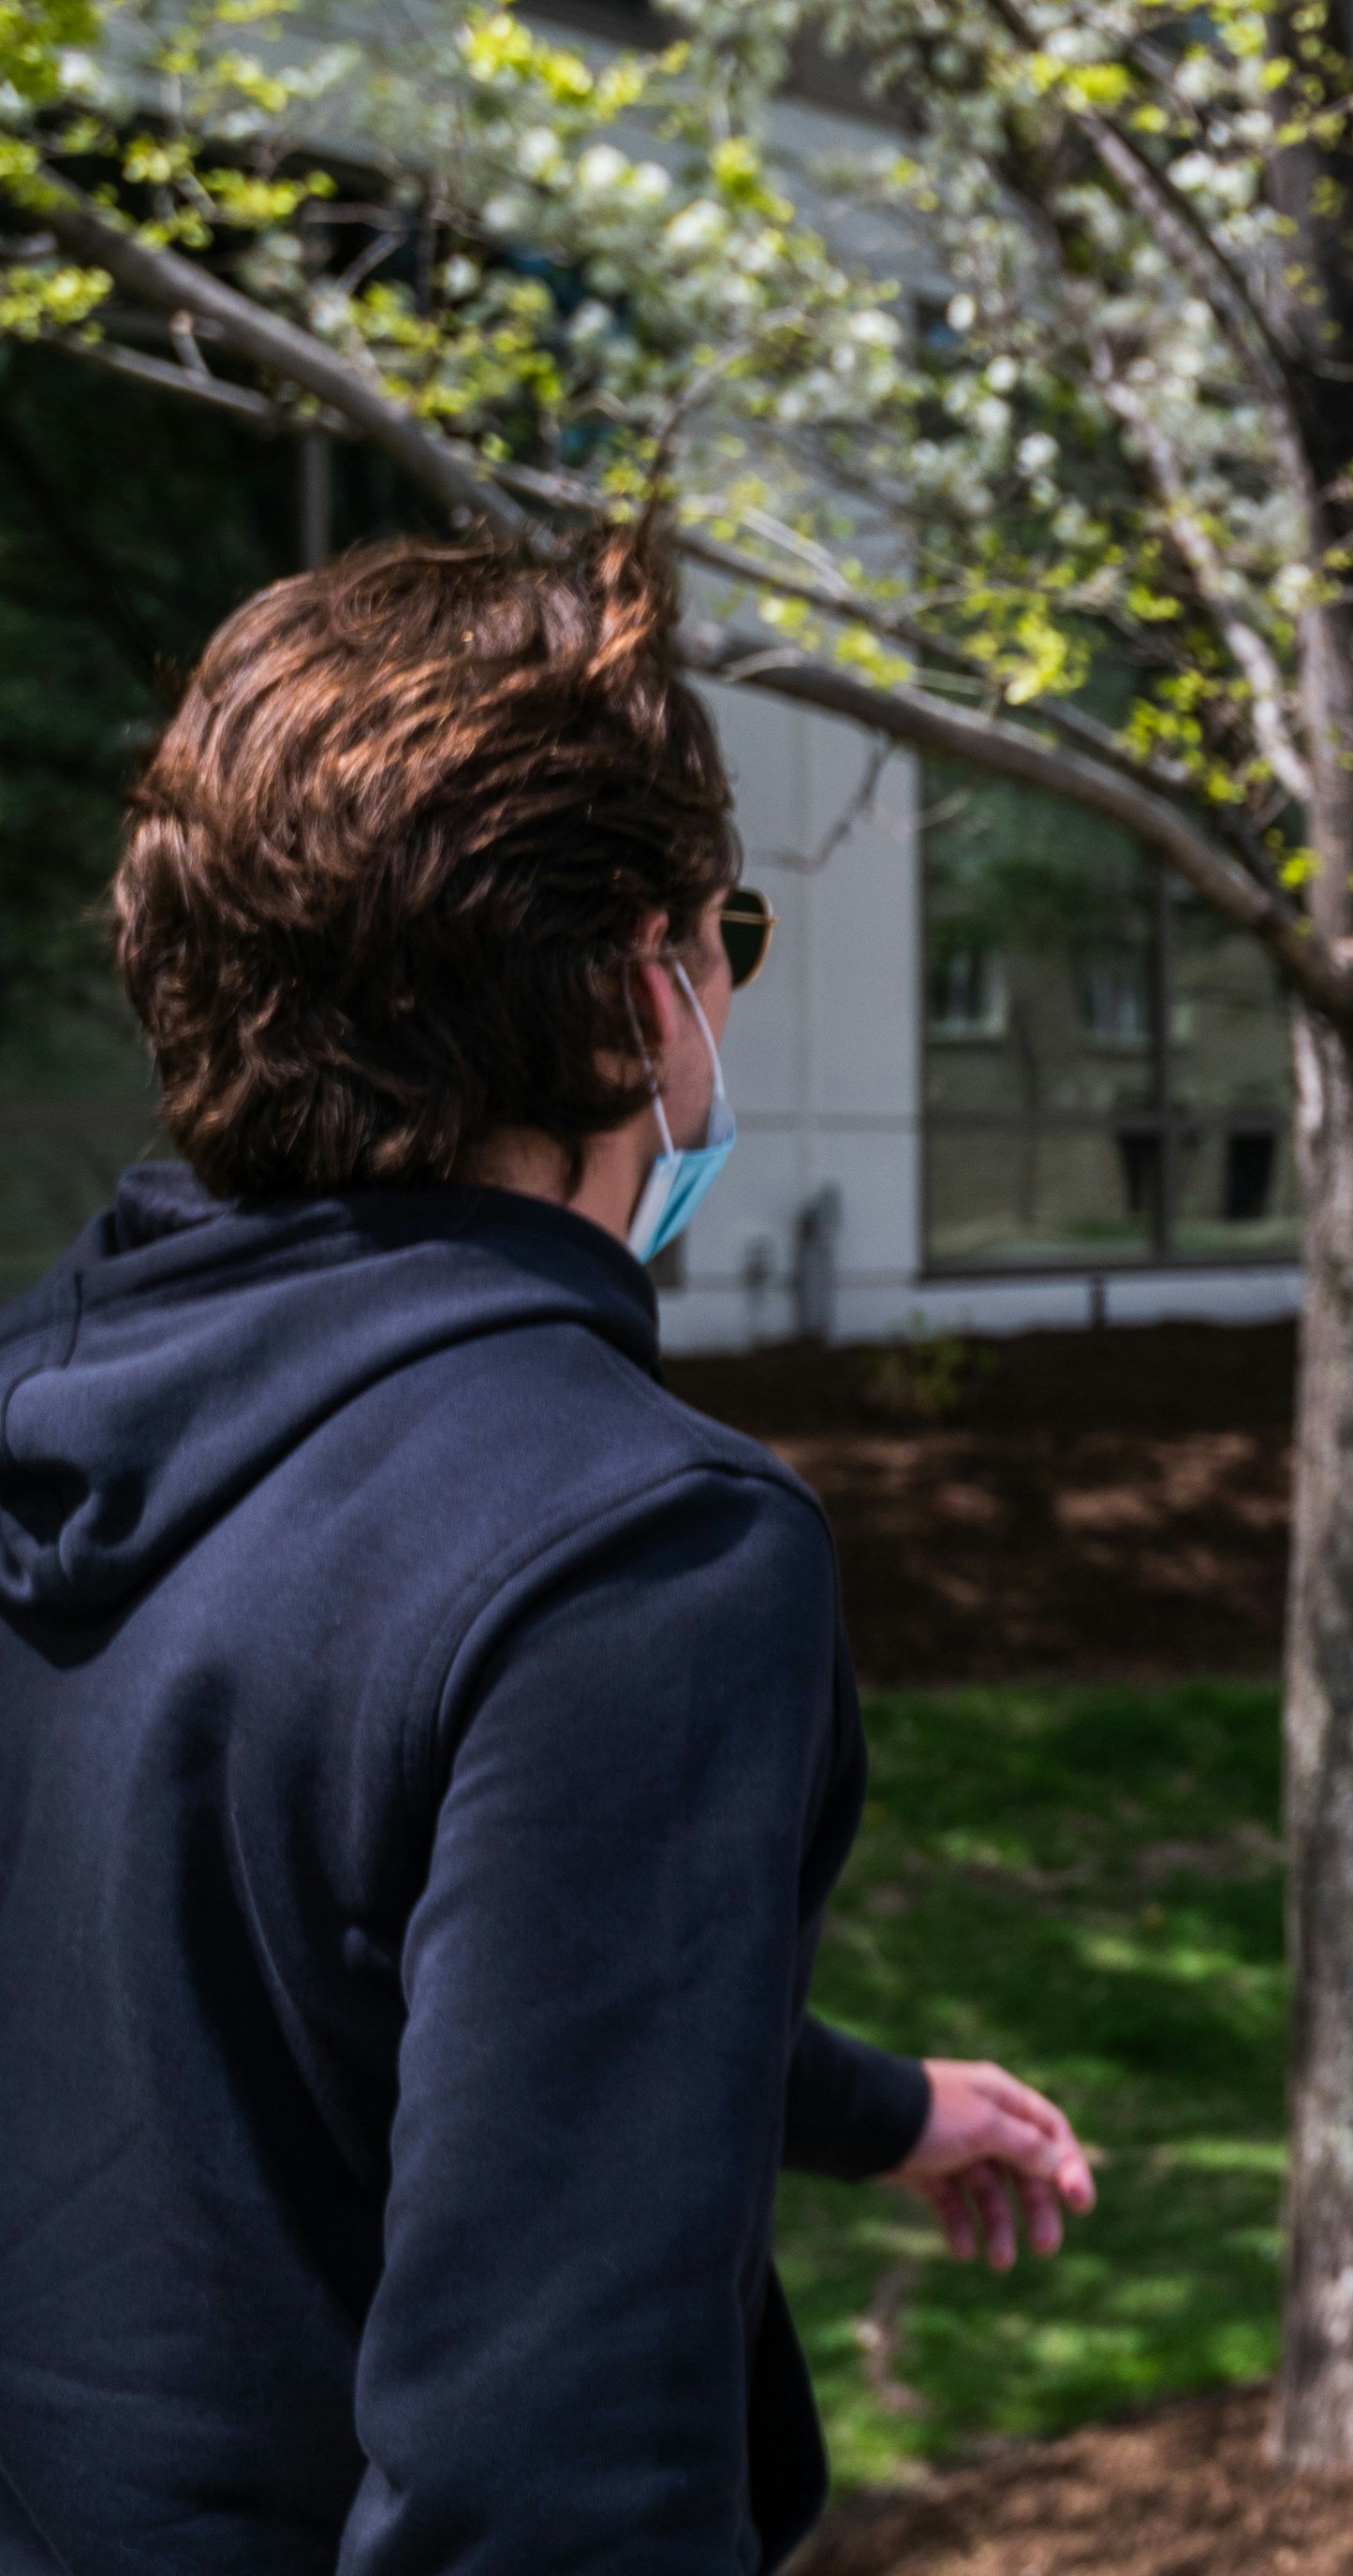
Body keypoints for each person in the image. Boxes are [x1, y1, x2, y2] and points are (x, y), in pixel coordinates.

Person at [0, 527, 1100, 2573]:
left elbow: (370, 1968)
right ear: (637, 998)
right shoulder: (637, 1555)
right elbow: (548, 2487)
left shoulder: (48, 1426)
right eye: (727, 937)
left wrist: (872, 2103)